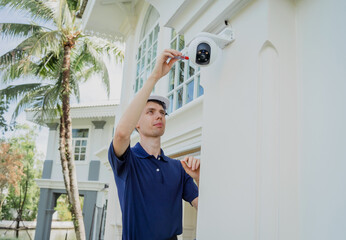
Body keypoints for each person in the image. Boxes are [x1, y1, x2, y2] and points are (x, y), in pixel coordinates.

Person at [108, 49, 200, 240]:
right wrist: (155, 76)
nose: (159, 115)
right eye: (150, 111)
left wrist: (199, 178)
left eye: (161, 112)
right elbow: (122, 133)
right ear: (137, 123)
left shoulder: (178, 167)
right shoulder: (128, 162)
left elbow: (205, 208)